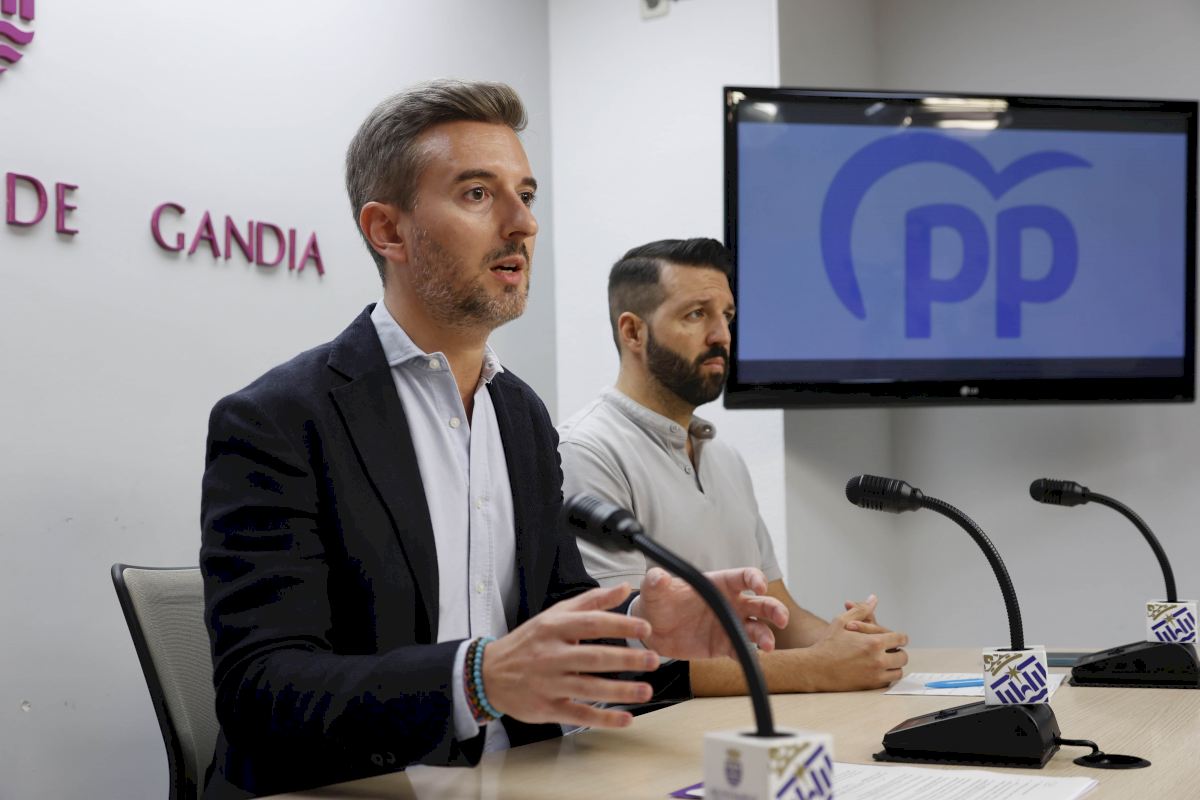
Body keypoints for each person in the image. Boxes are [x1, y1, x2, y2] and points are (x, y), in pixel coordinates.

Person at [199, 83, 787, 799]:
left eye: (526, 195)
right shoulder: (278, 419)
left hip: (529, 778)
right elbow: (259, 689)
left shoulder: (521, 414)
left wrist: (640, 622)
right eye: (478, 194)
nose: (523, 224)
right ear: (388, 231)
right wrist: (474, 679)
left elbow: (556, 605)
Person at [558, 238, 909, 697]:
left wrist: (850, 645)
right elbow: (624, 655)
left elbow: (780, 616)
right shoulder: (586, 451)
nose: (722, 335)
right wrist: (817, 667)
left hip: (734, 724)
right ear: (633, 332)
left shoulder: (724, 457)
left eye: (727, 316)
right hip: (640, 734)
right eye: (696, 314)